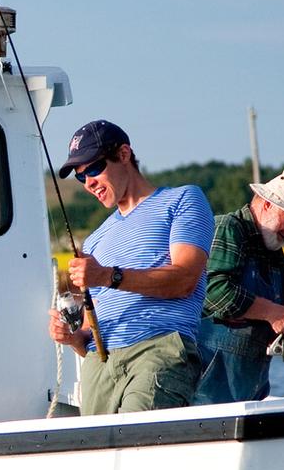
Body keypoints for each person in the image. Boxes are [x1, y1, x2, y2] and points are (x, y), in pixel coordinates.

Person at [47, 120, 212, 415]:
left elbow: (185, 279)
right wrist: (73, 338)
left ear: (124, 154)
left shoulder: (183, 199)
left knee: (135, 447)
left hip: (157, 351)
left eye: (94, 169)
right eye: (81, 178)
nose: (89, 183)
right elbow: (89, 331)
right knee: (98, 458)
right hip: (100, 366)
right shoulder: (96, 240)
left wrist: (107, 275)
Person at [195, 169, 284, 404]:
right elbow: (211, 291)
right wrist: (272, 312)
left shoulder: (277, 256)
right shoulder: (228, 228)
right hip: (205, 391)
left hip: (252, 390)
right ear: (267, 204)